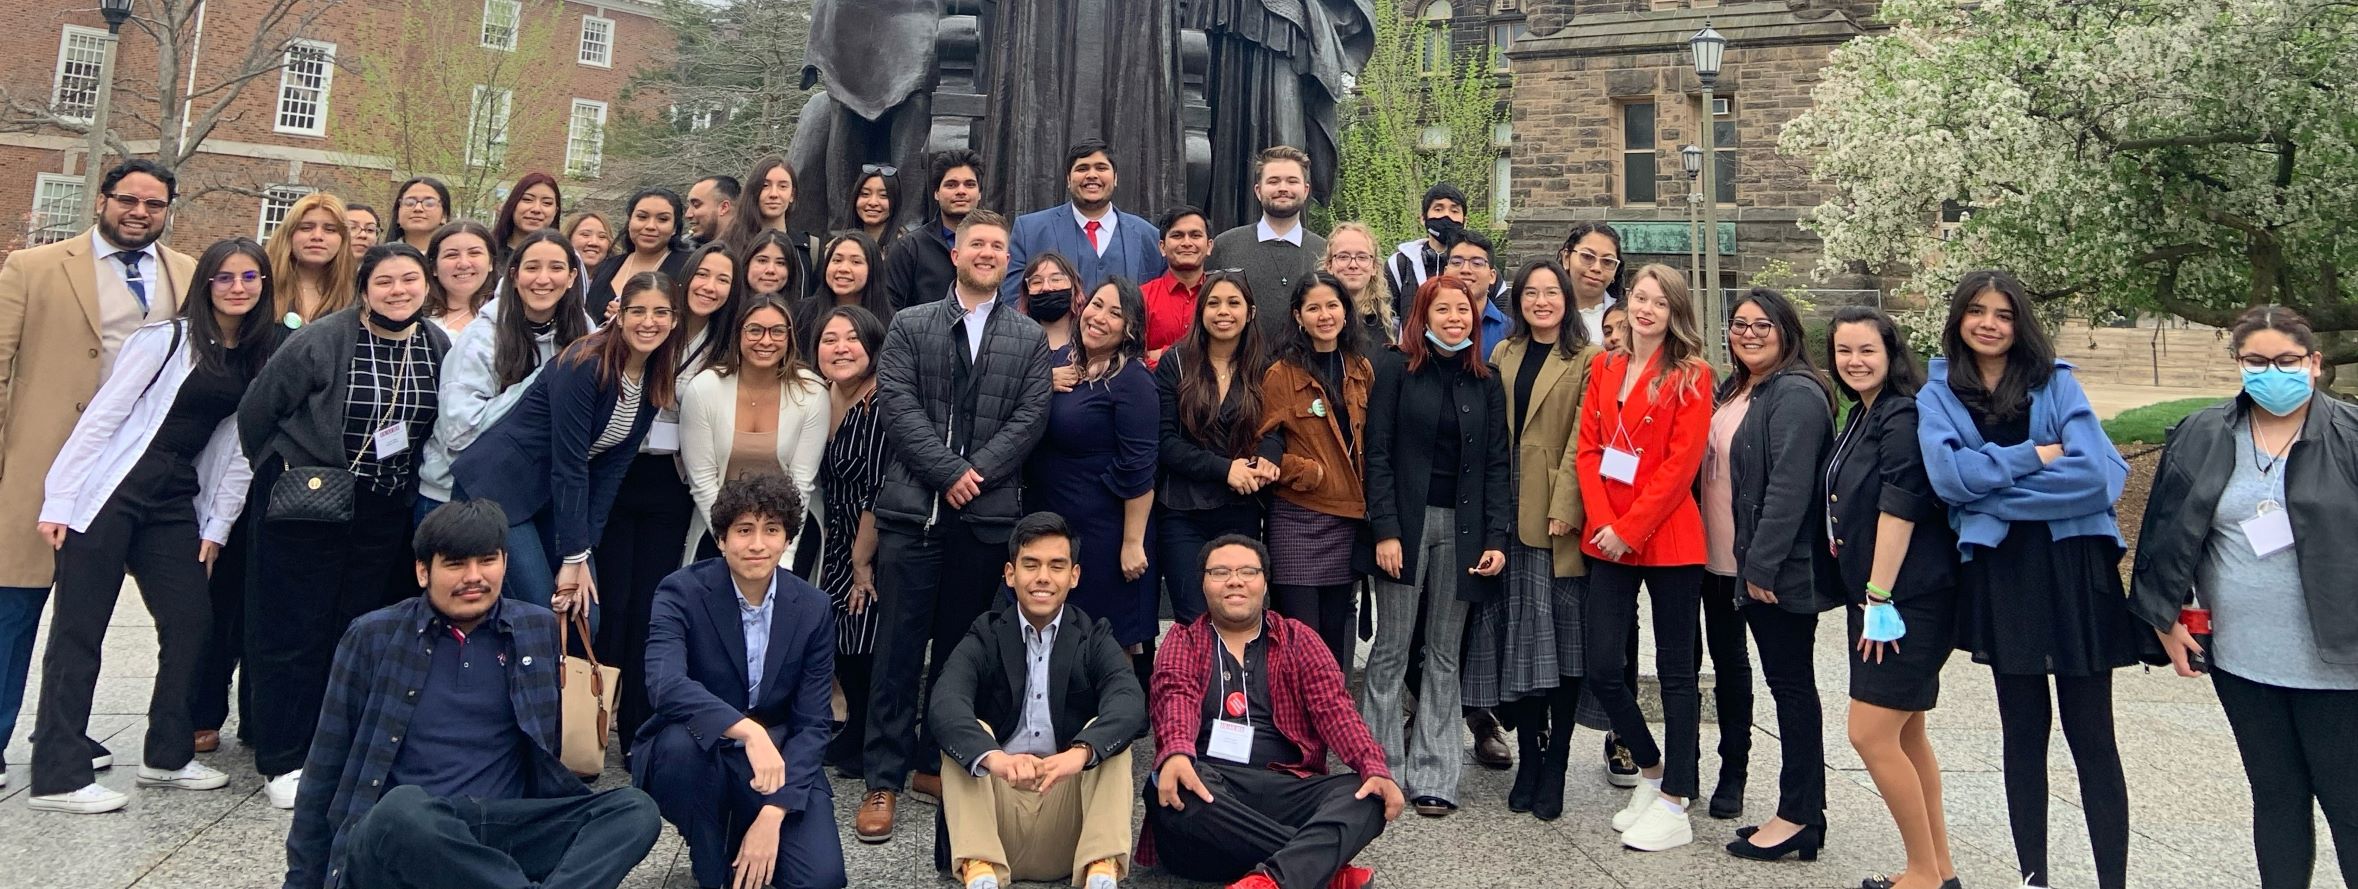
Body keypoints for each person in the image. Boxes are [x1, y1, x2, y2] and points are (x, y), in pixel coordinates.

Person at [281, 499, 663, 889]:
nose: (474, 577)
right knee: (402, 808)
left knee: (635, 809)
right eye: (455, 564)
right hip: (406, 835)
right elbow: (324, 771)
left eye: (487, 561)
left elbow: (540, 754)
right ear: (422, 571)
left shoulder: (535, 629)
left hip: (501, 827)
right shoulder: (373, 636)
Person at [27, 239, 280, 812]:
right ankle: (58, 776)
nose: (237, 287)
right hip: (112, 490)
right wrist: (61, 500)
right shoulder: (166, 338)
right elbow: (106, 414)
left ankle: (166, 756)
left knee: (192, 622)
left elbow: (238, 448)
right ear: (205, 285)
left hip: (173, 500)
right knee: (79, 632)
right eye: (223, 278)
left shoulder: (258, 356)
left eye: (249, 276)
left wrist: (217, 525)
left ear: (265, 284)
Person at [1917, 270, 2135, 889]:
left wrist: (1988, 499)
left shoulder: (2056, 383)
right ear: (1959, 317)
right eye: (1977, 310)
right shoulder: (1940, 395)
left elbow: (2098, 479)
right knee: (2023, 735)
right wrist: (2030, 459)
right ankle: (2032, 877)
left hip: (2074, 571)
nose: (1989, 323)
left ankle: (2112, 880)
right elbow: (1946, 480)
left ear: (2021, 324)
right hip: (2004, 573)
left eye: (2004, 314)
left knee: (2093, 737)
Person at [2134, 305, 2358, 889]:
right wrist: (2165, 617)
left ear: (2313, 363)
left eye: (2285, 360)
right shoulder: (2202, 433)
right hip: (2243, 659)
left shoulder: (2352, 436)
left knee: (2349, 805)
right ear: (2238, 364)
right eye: (2256, 361)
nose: (2271, 372)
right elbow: (2165, 528)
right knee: (2276, 797)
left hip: (2341, 664)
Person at [0, 158, 197, 788]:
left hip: (135, 475)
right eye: (128, 200)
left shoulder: (187, 274)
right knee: (17, 606)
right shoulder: (33, 268)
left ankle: (62, 729)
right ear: (102, 200)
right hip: (42, 459)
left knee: (88, 611)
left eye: (155, 204)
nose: (140, 212)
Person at [858, 210, 1052, 843]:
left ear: (1007, 257)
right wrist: (947, 472)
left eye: (999, 245)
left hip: (987, 519)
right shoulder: (912, 325)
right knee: (897, 649)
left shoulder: (1027, 337)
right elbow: (897, 403)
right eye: (978, 244)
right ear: (957, 251)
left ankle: (939, 760)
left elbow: (1030, 417)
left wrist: (978, 473)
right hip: (914, 513)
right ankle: (882, 777)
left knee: (960, 654)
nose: (988, 253)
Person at [239, 243, 452, 808]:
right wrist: (287, 463)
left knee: (354, 628)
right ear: (364, 287)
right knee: (295, 627)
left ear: (427, 285)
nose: (399, 290)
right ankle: (283, 756)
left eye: (410, 279)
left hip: (384, 507)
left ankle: (336, 746)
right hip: (311, 500)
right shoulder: (323, 338)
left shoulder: (435, 342)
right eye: (385, 281)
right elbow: (257, 412)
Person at [1138, 535, 1400, 889]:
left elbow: (1336, 710)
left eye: (1248, 571)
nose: (1235, 580)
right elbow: (1174, 699)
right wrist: (1177, 753)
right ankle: (1319, 868)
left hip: (1286, 787)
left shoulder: (1298, 638)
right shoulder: (1184, 639)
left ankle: (1270, 881)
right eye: (1220, 572)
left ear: (1264, 582)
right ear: (1203, 583)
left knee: (1368, 793)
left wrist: (1373, 765)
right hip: (1212, 793)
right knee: (1172, 786)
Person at [634, 475, 847, 889]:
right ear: (720, 539)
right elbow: (664, 683)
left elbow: (813, 723)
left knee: (822, 880)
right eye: (744, 530)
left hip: (777, 758)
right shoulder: (680, 592)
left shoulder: (813, 608)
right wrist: (748, 731)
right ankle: (706, 839)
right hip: (700, 748)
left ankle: (749, 823)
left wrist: (774, 814)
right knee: (677, 751)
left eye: (771, 530)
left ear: (787, 540)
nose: (757, 545)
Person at [1360, 274, 1511, 819]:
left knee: (1446, 654)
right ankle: (1378, 768)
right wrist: (1385, 530)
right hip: (1405, 524)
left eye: (1464, 311)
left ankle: (1435, 775)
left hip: (1464, 529)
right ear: (1423, 316)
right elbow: (1376, 453)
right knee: (1392, 649)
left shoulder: (1484, 380)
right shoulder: (1396, 370)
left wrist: (1497, 537)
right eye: (1443, 310)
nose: (1455, 318)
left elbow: (1497, 465)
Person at [1575, 263, 1713, 852]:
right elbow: (1587, 448)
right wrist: (1606, 523)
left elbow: (1681, 466)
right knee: (1603, 664)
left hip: (1668, 536)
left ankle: (1677, 798)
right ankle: (1653, 771)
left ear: (1675, 309)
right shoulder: (1604, 364)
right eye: (1638, 297)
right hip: (1607, 533)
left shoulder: (1692, 374)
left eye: (1659, 301)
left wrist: (1629, 528)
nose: (1646, 308)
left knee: (1678, 671)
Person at [930, 512, 1144, 889]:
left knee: (1107, 738)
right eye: (1031, 565)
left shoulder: (1093, 636)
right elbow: (945, 703)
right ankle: (980, 873)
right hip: (996, 817)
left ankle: (1100, 873)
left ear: (1073, 576)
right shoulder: (986, 633)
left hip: (1069, 821)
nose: (1043, 577)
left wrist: (1078, 754)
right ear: (1010, 574)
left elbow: (1128, 702)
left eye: (1056, 566)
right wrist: (996, 760)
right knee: (967, 733)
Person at [1823, 306, 1959, 889]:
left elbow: (1900, 503)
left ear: (1891, 353)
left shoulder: (1901, 414)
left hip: (1905, 600)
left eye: (1867, 351)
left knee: (1869, 734)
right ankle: (1939, 867)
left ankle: (1923, 874)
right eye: (1844, 351)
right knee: (1907, 734)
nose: (1854, 362)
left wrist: (1878, 595)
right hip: (1879, 596)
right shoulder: (1862, 413)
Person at [450, 272, 678, 615]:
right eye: (638, 311)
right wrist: (573, 555)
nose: (649, 322)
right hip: (500, 488)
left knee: (588, 615)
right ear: (620, 316)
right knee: (543, 611)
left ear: (675, 321)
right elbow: (569, 463)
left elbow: (611, 471)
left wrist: (584, 552)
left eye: (661, 313)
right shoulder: (584, 364)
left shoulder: (652, 378)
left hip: (550, 499)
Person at [1463, 259, 1599, 822]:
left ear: (1567, 299)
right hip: (1508, 510)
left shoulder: (1589, 358)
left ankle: (1557, 765)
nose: (1541, 301)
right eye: (1530, 293)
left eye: (1551, 292)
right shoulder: (1503, 353)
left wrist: (1567, 507)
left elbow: (1582, 439)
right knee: (1521, 642)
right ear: (1516, 300)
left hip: (1554, 516)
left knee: (1560, 644)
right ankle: (1532, 757)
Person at [598, 242, 745, 757]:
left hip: (672, 480)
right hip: (618, 470)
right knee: (611, 601)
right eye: (702, 274)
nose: (709, 286)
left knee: (650, 605)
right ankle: (594, 719)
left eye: (722, 279)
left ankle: (639, 726)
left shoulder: (726, 345)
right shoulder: (650, 321)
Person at [1709, 288, 1839, 857]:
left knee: (1790, 687)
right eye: (1740, 324)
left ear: (1788, 332)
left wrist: (1760, 563)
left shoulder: (1798, 395)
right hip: (1725, 563)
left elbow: (1789, 488)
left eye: (1764, 325)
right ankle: (1792, 806)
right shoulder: (1739, 387)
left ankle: (1801, 816)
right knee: (1769, 680)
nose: (1750, 333)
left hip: (1772, 571)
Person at [417, 230, 594, 521]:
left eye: (556, 268)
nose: (543, 279)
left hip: (538, 489)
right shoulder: (482, 336)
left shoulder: (582, 330)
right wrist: (540, 384)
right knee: (530, 569)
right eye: (532, 267)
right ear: (513, 275)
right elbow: (459, 431)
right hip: (461, 490)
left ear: (573, 277)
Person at [1027, 278, 1160, 649]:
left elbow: (1140, 467)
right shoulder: (1056, 364)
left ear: (1130, 328)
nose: (1099, 317)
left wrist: (1132, 543)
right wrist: (1043, 383)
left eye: (1115, 313)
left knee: (1105, 643)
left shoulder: (1133, 381)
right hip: (1051, 522)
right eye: (1096, 305)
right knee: (1052, 638)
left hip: (1105, 532)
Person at [1255, 272, 1373, 675]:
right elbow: (1263, 442)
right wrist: (1306, 472)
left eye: (1332, 305)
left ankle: (1331, 727)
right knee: (1300, 635)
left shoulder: (1360, 367)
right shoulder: (1281, 374)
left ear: (1346, 311)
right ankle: (1295, 730)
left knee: (1335, 633)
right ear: (1298, 316)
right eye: (1314, 308)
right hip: (1297, 516)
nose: (1325, 315)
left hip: (1346, 518)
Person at [1156, 271, 1273, 630]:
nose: (1224, 312)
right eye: (1214, 303)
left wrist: (1268, 458)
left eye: (1234, 303)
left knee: (1237, 617)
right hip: (1182, 509)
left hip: (1241, 509)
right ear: (1201, 311)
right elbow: (1164, 442)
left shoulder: (1265, 367)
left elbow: (1276, 428)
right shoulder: (1175, 363)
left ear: (1250, 312)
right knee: (1193, 619)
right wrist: (1224, 469)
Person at [680, 295, 829, 569]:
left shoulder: (812, 392)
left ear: (790, 337)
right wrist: (730, 542)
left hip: (790, 527)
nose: (766, 341)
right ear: (739, 334)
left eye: (777, 331)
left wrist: (783, 555)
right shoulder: (704, 388)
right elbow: (702, 481)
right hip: (719, 527)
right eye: (755, 330)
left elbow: (802, 483)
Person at [812, 306, 890, 777]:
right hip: (833, 532)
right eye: (829, 338)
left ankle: (866, 735)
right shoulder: (822, 396)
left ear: (872, 345)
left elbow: (879, 486)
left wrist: (862, 562)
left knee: (863, 636)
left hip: (871, 537)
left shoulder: (880, 401)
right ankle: (855, 728)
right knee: (842, 637)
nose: (840, 348)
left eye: (851, 339)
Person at [1004, 140, 1166, 301]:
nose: (1092, 175)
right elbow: (1013, 302)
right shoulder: (1029, 232)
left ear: (1115, 178)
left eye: (1101, 168)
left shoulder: (1149, 237)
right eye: (1082, 169)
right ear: (1068, 179)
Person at [1209, 147, 1327, 333]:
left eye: (1292, 181)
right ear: (1258, 190)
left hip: (1309, 361)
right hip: (1242, 362)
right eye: (1273, 181)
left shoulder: (1325, 252)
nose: (1283, 188)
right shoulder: (1225, 246)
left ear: (1305, 191)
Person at [884, 150, 983, 311]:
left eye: (969, 184)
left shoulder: (996, 247)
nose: (961, 191)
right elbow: (890, 308)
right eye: (951, 184)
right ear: (936, 193)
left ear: (979, 194)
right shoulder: (909, 248)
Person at [588, 188, 691, 319]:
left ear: (675, 228)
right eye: (642, 217)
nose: (650, 226)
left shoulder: (688, 269)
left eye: (663, 219)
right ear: (629, 221)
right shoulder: (607, 266)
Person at [264, 190, 358, 327]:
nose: (317, 236)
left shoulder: (357, 296)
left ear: (343, 239)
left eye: (330, 229)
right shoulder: (260, 287)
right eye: (306, 228)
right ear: (288, 235)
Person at [797, 232, 893, 363]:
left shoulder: (891, 323)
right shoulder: (801, 314)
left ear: (873, 269)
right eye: (837, 260)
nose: (843, 268)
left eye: (856, 262)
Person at [728, 158, 819, 290]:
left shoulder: (809, 248)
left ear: (792, 195)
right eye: (765, 186)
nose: (774, 194)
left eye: (783, 186)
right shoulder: (730, 242)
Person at [1138, 205, 1211, 364]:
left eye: (1195, 235)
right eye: (1177, 235)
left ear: (1209, 246)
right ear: (1162, 247)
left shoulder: (1222, 297)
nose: (1186, 243)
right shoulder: (1142, 297)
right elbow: (1135, 359)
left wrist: (1160, 354)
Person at [1384, 183, 1466, 308]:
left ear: (1465, 221)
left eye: (1454, 211)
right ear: (1423, 218)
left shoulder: (1479, 266)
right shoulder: (1399, 264)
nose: (1447, 216)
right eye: (1438, 209)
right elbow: (1388, 319)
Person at [1322, 222, 1395, 348]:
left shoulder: (1387, 325)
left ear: (1374, 267)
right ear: (1329, 265)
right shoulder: (1319, 320)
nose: (1353, 265)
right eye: (1343, 257)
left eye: (1362, 257)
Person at [422, 221, 499, 337]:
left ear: (490, 263)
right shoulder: (415, 316)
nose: (464, 264)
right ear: (434, 268)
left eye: (474, 253)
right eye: (451, 255)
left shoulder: (509, 313)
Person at [1439, 229, 1514, 347]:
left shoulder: (1510, 333)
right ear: (1445, 272)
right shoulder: (1426, 326)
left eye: (1477, 263)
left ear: (1492, 276)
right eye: (1457, 262)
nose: (1465, 270)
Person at [1557, 222, 1622, 346]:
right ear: (1566, 258)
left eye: (1607, 261)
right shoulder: (1543, 310)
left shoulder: (1629, 318)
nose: (1596, 268)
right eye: (1587, 256)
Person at [490, 173, 563, 264]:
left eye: (547, 203)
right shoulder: (487, 251)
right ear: (512, 204)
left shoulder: (565, 257)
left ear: (555, 211)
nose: (536, 209)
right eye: (527, 199)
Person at [839, 164, 901, 250]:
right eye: (865, 194)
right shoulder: (837, 248)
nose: (873, 202)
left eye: (883, 195)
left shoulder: (906, 249)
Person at [744, 228, 811, 302]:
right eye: (762, 261)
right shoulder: (730, 311)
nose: (770, 270)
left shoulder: (804, 312)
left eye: (780, 263)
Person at [389, 177, 452, 254]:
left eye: (429, 203)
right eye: (410, 203)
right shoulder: (379, 258)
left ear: (444, 215)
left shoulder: (455, 260)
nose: (418, 208)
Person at [686, 174, 740, 249]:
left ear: (724, 207)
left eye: (696, 205)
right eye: (688, 206)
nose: (688, 214)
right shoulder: (683, 251)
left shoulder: (754, 251)